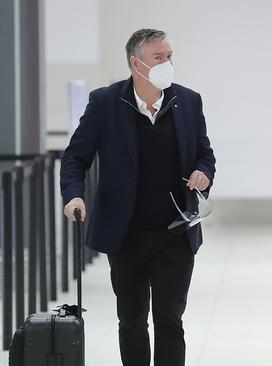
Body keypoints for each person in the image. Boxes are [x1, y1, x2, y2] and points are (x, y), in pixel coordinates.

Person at [60, 28, 216, 366]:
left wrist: (204, 174)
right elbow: (75, 157)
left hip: (175, 232)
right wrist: (74, 196)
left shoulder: (188, 100)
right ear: (136, 63)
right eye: (159, 57)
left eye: (169, 56)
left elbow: (205, 155)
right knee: (131, 321)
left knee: (170, 321)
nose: (167, 63)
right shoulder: (106, 103)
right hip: (126, 233)